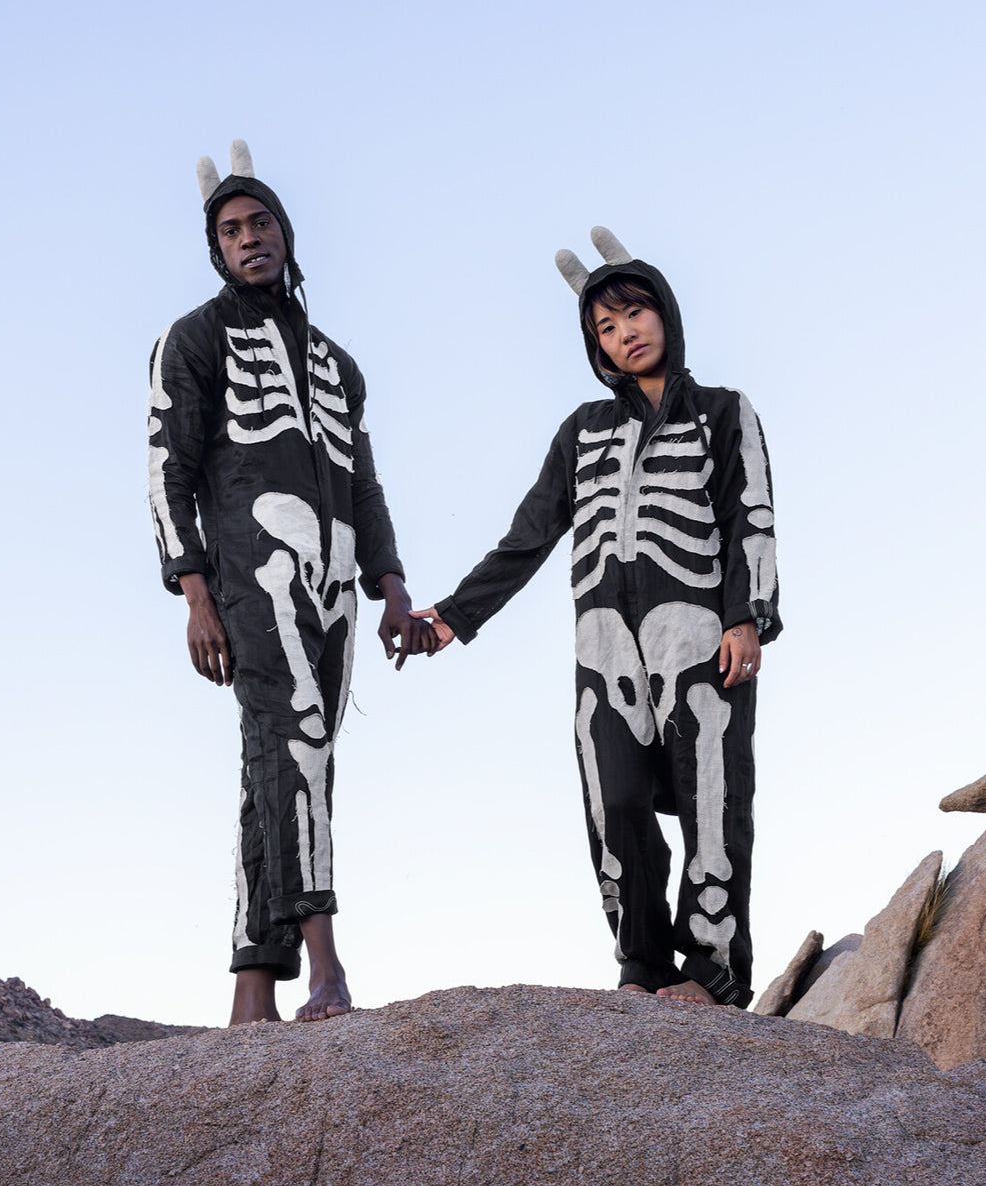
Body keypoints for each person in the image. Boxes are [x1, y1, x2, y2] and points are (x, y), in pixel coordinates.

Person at [414, 228, 781, 1007]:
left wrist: (747, 616)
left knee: (713, 800)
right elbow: (529, 534)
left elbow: (751, 518)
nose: (625, 334)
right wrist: (450, 617)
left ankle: (714, 970)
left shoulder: (723, 411)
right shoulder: (582, 430)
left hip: (699, 639)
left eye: (635, 312)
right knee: (612, 804)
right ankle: (641, 961)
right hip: (603, 650)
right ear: (597, 348)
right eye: (606, 329)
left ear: (665, 313)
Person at [148, 140, 431, 1024]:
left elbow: (365, 478)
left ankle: (250, 987)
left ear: (286, 230)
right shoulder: (192, 339)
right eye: (230, 229)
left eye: (261, 221)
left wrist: (388, 581)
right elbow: (167, 468)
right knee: (299, 740)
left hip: (338, 580)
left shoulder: (339, 365)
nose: (249, 238)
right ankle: (327, 968)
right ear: (215, 248)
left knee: (278, 762)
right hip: (253, 572)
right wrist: (195, 593)